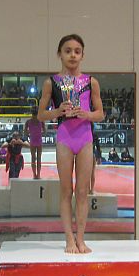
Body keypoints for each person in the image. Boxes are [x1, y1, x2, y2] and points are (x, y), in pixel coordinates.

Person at [38, 34, 105, 254]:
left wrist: (86, 114)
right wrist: (58, 111)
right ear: (60, 54)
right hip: (65, 139)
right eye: (68, 51)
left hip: (85, 138)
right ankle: (69, 239)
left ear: (82, 55)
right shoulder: (51, 82)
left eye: (77, 51)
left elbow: (100, 113)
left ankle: (81, 239)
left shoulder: (91, 82)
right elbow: (40, 115)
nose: (73, 55)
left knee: (83, 192)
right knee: (66, 191)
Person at [24, 106, 46, 179]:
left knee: (33, 158)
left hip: (33, 140)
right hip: (38, 140)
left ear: (31, 113)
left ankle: (34, 174)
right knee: (39, 159)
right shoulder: (41, 120)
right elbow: (45, 132)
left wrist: (30, 133)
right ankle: (38, 175)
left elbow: (25, 132)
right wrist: (39, 133)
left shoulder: (28, 121)